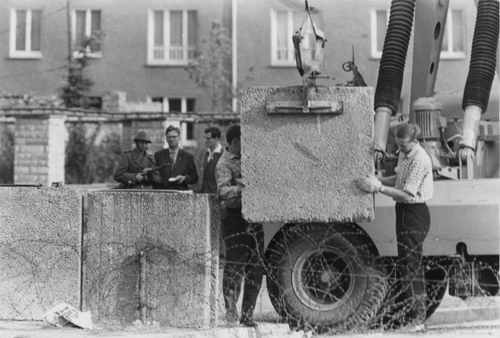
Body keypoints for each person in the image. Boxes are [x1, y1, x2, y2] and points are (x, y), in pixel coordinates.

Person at [356, 123, 433, 330]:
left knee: (411, 265)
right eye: (398, 145)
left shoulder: (419, 159)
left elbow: (408, 195)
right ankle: (408, 315)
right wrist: (380, 180)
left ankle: (418, 319)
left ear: (415, 141)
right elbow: (399, 180)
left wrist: (379, 187)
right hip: (404, 211)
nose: (401, 149)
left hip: (414, 212)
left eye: (404, 146)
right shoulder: (406, 154)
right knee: (405, 263)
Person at [215, 124, 264, 327]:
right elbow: (223, 192)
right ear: (235, 141)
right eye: (244, 140)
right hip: (234, 219)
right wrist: (243, 188)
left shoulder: (249, 158)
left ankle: (248, 314)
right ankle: (231, 312)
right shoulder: (224, 164)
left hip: (253, 218)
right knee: (235, 267)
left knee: (256, 268)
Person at [153, 125, 198, 190]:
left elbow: (194, 177)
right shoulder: (158, 155)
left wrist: (184, 178)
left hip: (180, 193)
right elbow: (155, 174)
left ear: (179, 138)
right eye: (169, 137)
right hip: (163, 193)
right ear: (166, 138)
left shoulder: (188, 156)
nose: (171, 139)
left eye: (174, 137)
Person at [200, 126, 224, 193]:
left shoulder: (223, 155)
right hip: (203, 194)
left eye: (208, 138)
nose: (205, 141)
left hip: (217, 195)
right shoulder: (204, 153)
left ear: (216, 139)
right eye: (205, 138)